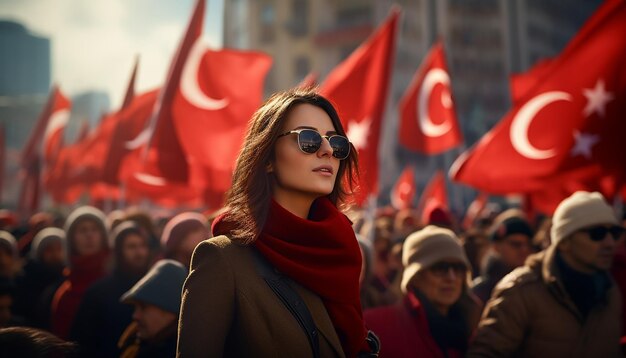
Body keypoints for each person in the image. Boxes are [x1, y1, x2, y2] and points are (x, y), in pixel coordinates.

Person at [178, 89, 378, 357]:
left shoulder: (341, 253)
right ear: (268, 158)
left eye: (336, 142)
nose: (328, 150)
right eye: (308, 139)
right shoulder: (221, 260)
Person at [468, 191, 623, 357]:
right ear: (564, 242)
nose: (610, 243)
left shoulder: (610, 291)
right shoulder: (521, 291)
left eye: (614, 233)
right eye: (597, 233)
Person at [364, 226, 482, 358]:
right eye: (440, 268)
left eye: (458, 268)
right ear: (415, 277)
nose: (451, 277)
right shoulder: (377, 328)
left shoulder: (477, 328)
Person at [70, 222, 152, 357]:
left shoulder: (153, 291)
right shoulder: (98, 293)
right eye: (131, 247)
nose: (139, 252)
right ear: (119, 252)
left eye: (142, 246)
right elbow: (83, 343)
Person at [51, 206, 110, 339]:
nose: (89, 235)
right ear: (71, 240)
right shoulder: (65, 294)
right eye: (82, 230)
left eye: (94, 229)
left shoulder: (117, 281)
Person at [118, 259, 187, 358]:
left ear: (170, 312)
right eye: (136, 307)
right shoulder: (135, 345)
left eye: (143, 307)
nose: (135, 316)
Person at [471, 210, 534, 303]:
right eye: (516, 244)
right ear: (496, 247)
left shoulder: (535, 286)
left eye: (528, 244)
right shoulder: (481, 291)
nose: (524, 250)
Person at [13, 228, 66, 328]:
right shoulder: (26, 280)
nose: (55, 254)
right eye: (49, 250)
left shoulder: (67, 279)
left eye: (59, 248)